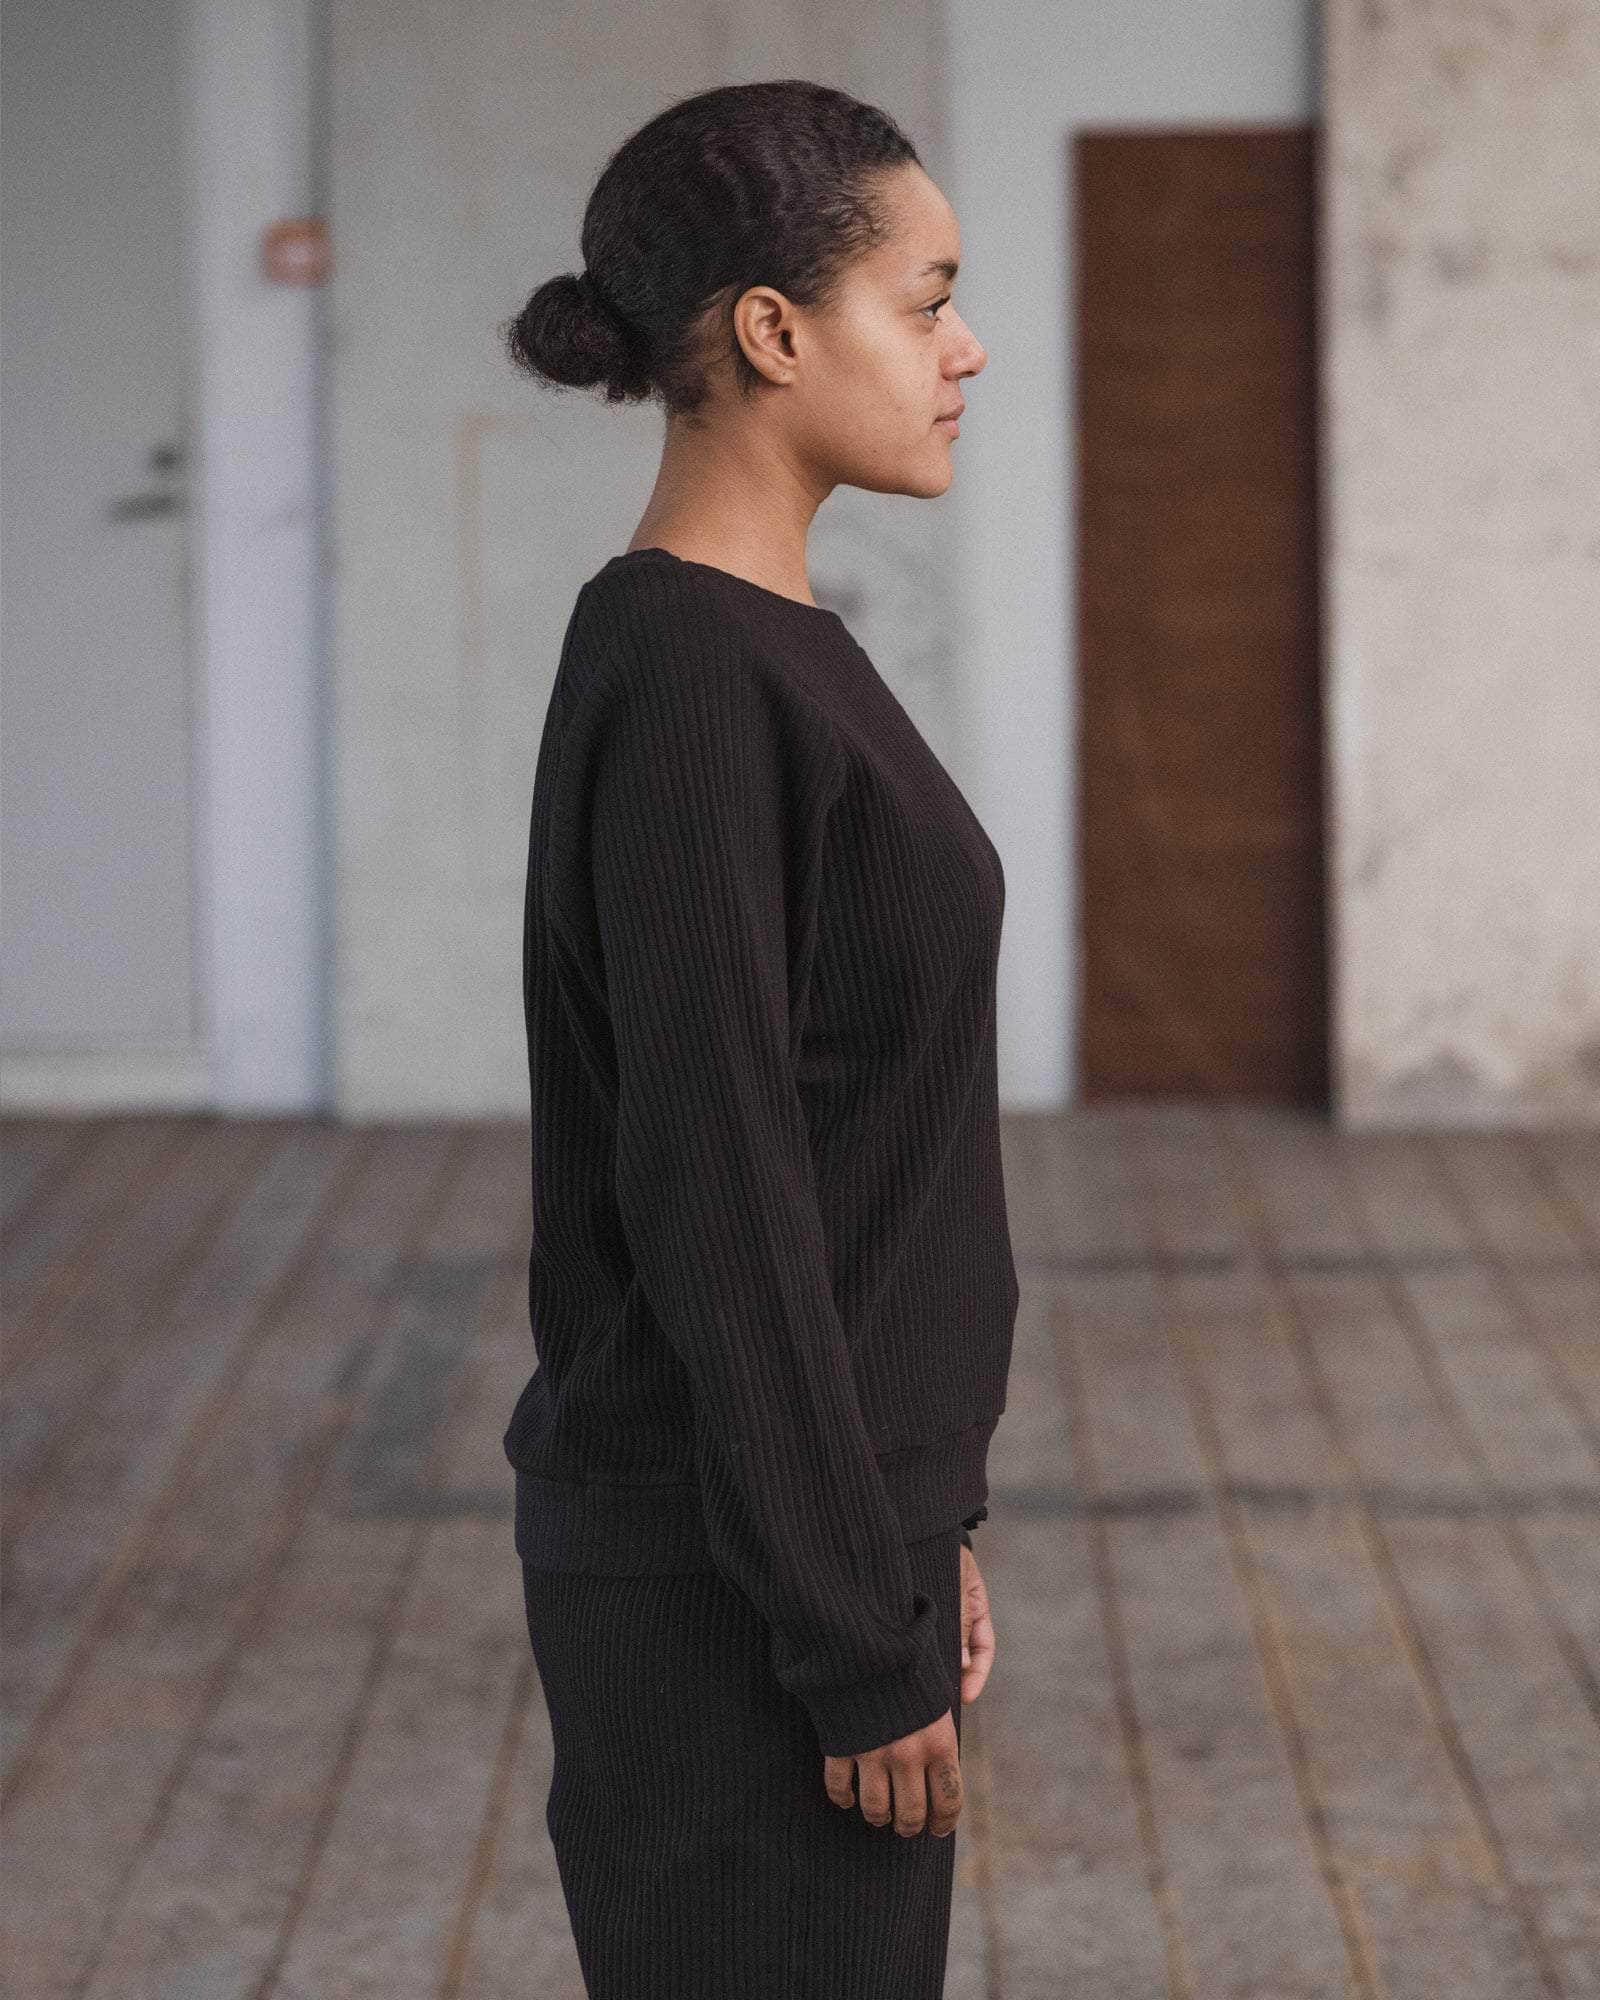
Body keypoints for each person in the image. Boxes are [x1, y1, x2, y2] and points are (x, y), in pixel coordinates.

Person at [498, 76, 1016, 2000]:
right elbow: (719, 1189)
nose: (968, 348)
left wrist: (912, 1522)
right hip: (726, 1590)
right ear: (777, 332)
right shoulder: (695, 677)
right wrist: (846, 1622)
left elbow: (849, 1140)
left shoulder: (760, 641)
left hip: (808, 1543)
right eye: (928, 299)